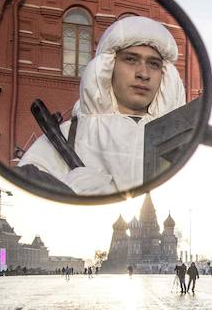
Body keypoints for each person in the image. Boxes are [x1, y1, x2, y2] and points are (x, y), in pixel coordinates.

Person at [17, 16, 187, 195]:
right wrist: (65, 192)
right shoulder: (70, 135)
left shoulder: (183, 141)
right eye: (130, 59)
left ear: (165, 74)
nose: (143, 73)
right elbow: (23, 198)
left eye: (153, 64)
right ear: (108, 67)